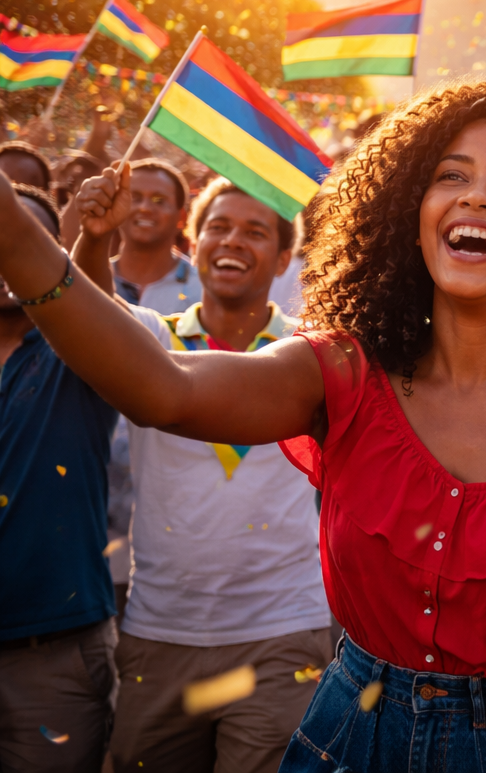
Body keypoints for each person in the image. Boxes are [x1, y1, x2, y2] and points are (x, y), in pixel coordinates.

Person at [0, 81, 486, 772]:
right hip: (349, 734)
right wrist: (12, 228)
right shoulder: (341, 371)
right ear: (415, 211)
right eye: (449, 176)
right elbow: (164, 390)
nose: (476, 196)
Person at [71, 173, 333, 773]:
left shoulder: (314, 354)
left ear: (285, 256)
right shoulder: (154, 341)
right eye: (218, 226)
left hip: (285, 632)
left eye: (255, 231)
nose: (233, 241)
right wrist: (93, 238)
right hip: (160, 633)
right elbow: (85, 311)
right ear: (194, 241)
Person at [0, 184, 165, 773]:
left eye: (26, 240)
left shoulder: (71, 353)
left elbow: (98, 307)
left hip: (54, 653)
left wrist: (95, 239)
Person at [111, 158, 202, 314]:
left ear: (181, 218)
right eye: (135, 197)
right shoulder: (88, 279)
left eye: (159, 200)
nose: (145, 208)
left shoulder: (202, 291)